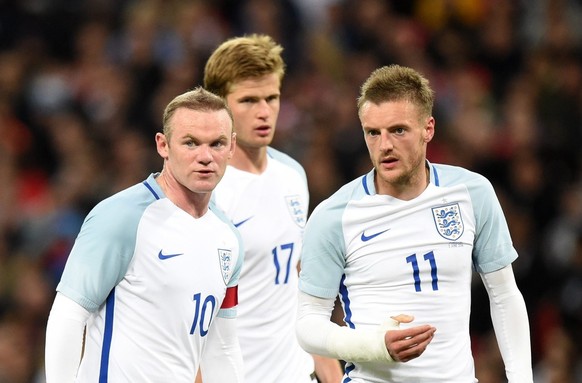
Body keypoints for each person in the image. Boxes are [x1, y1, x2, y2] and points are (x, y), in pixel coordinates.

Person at [295, 64, 534, 382]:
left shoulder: (472, 193)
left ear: (428, 129)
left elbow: (504, 295)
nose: (384, 146)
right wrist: (374, 345)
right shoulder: (333, 216)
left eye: (398, 130)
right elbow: (308, 324)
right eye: (372, 133)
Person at [44, 87, 244, 382]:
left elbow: (222, 347)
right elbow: (69, 316)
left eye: (216, 143)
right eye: (190, 143)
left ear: (232, 148)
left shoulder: (228, 237)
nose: (205, 156)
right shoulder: (121, 217)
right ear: (163, 146)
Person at [203, 34, 343, 383]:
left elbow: (298, 277)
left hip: (296, 372)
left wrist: (325, 361)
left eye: (272, 98)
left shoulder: (293, 175)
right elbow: (186, 307)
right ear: (219, 105)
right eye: (249, 100)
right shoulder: (207, 191)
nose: (264, 111)